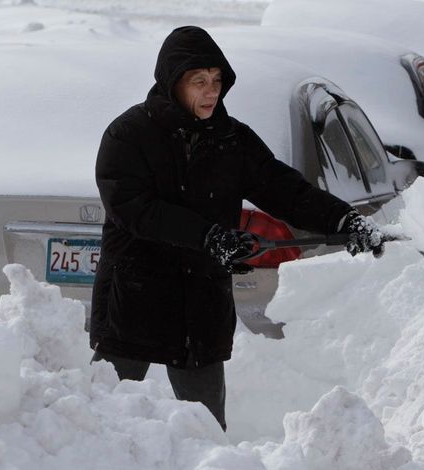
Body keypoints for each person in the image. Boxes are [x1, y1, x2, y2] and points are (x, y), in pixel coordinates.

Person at [91, 25, 384, 431]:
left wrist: (343, 220)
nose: (211, 91)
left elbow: (285, 190)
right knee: (97, 421)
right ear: (173, 82)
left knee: (207, 429)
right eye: (199, 82)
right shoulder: (129, 135)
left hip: (200, 302)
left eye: (217, 81)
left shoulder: (231, 140)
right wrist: (209, 237)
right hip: (136, 296)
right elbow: (134, 209)